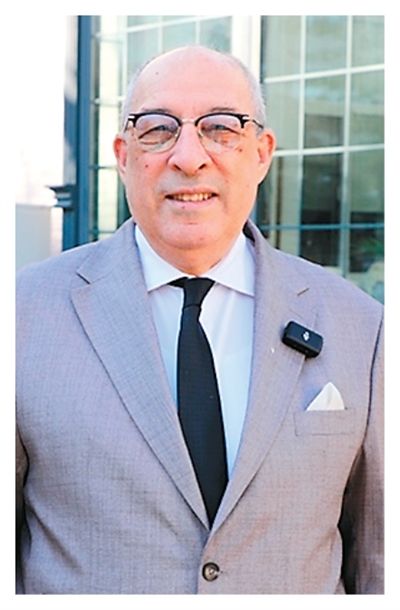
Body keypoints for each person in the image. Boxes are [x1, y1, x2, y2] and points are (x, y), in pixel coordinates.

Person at [16, 45, 384, 594]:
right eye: (158, 129)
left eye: (221, 128)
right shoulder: (23, 316)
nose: (189, 157)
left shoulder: (362, 328)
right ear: (122, 155)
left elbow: (379, 562)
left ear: (261, 153)